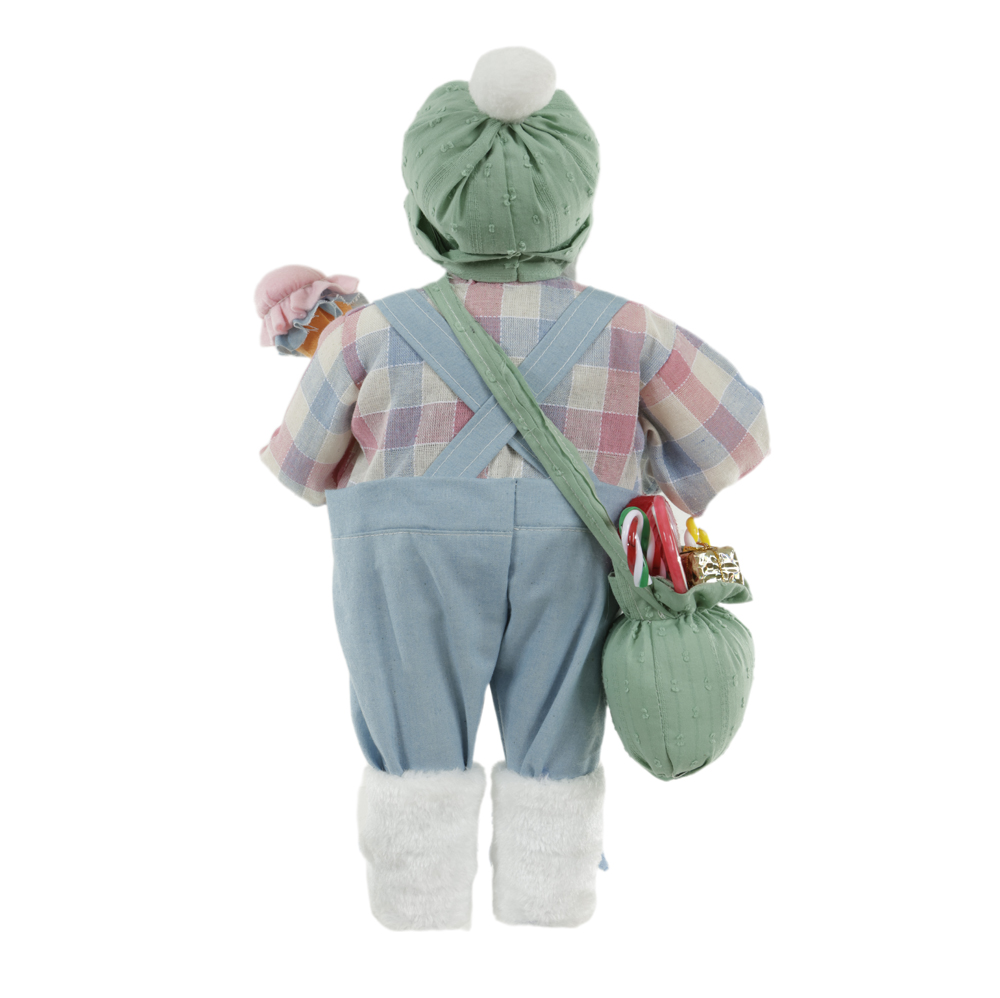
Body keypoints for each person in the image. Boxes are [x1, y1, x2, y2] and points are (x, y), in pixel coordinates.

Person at [259, 47, 769, 931]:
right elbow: (739, 435)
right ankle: (548, 912)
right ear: (581, 211)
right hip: (572, 557)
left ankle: (417, 916)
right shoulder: (630, 328)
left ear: (426, 216)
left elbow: (301, 470)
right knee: (558, 741)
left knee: (413, 746)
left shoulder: (364, 336)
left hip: (406, 568)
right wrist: (641, 477)